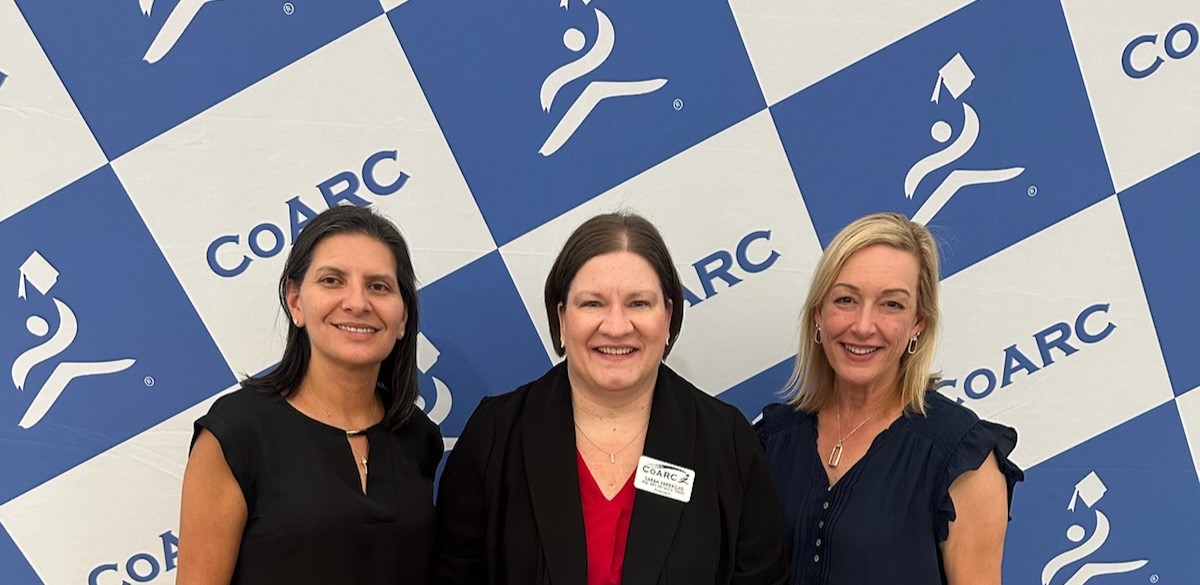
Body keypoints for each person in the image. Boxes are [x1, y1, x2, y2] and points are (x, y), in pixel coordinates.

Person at [434, 212, 788, 585]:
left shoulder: (727, 442)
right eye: (592, 304)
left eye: (639, 303)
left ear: (668, 317)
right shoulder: (496, 436)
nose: (617, 327)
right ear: (562, 318)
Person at [177, 206, 442, 585]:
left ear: (402, 318)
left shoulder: (418, 436)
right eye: (333, 280)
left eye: (378, 286)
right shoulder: (238, 432)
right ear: (296, 301)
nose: (357, 302)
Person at [755, 212, 1023, 585]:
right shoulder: (771, 440)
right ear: (819, 314)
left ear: (918, 324)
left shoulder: (961, 459)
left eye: (891, 305)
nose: (864, 326)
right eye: (846, 299)